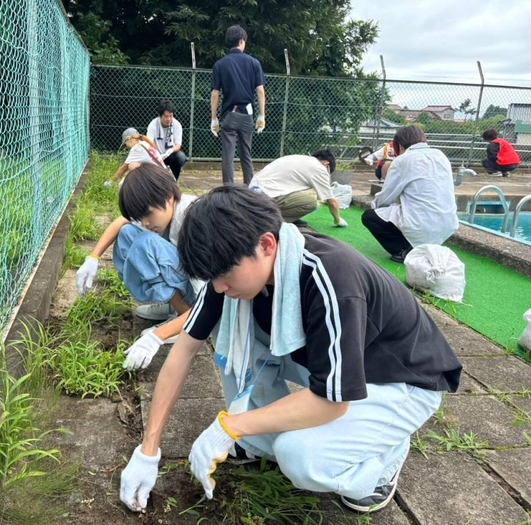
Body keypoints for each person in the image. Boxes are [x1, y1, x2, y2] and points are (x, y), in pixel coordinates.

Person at [119, 186, 462, 515]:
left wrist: (230, 426)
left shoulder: (331, 278)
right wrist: (148, 451)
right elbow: (184, 351)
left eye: (224, 275)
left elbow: (331, 402)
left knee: (299, 457)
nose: (219, 287)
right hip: (342, 367)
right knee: (231, 334)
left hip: (401, 380)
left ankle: (381, 466)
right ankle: (258, 442)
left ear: (267, 244)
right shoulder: (231, 273)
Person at [77, 164, 196, 370]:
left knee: (145, 244)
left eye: (148, 215)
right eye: (140, 217)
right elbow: (121, 222)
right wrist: (93, 257)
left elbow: (211, 301)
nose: (145, 223)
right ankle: (171, 306)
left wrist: (157, 337)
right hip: (187, 274)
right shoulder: (160, 208)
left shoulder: (193, 219)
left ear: (169, 197)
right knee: (127, 234)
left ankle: (181, 317)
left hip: (204, 293)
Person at [362, 126, 458, 264]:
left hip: (419, 225)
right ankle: (422, 244)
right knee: (404, 212)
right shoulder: (441, 155)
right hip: (448, 225)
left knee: (370, 216)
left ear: (400, 145)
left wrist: (376, 209)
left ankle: (405, 251)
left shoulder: (403, 160)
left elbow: (386, 197)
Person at [211, 25, 266, 185]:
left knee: (228, 154)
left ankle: (228, 189)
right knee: (246, 154)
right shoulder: (254, 63)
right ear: (242, 41)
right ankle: (249, 189)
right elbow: (260, 91)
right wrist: (261, 115)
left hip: (229, 115)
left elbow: (215, 93)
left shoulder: (220, 65)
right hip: (247, 114)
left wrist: (214, 118)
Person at [249, 150, 348, 228]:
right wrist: (337, 220)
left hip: (253, 193)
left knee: (305, 195)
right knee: (311, 203)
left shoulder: (299, 158)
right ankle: (269, 221)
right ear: (326, 164)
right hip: (265, 196)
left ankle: (284, 217)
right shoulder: (319, 168)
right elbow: (332, 202)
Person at [147, 100, 187, 181]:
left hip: (170, 155)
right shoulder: (153, 125)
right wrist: (157, 154)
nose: (169, 119)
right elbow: (149, 143)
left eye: (171, 116)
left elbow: (178, 145)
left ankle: (174, 181)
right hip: (156, 155)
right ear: (160, 116)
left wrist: (169, 151)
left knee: (181, 157)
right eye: (166, 116)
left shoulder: (177, 125)